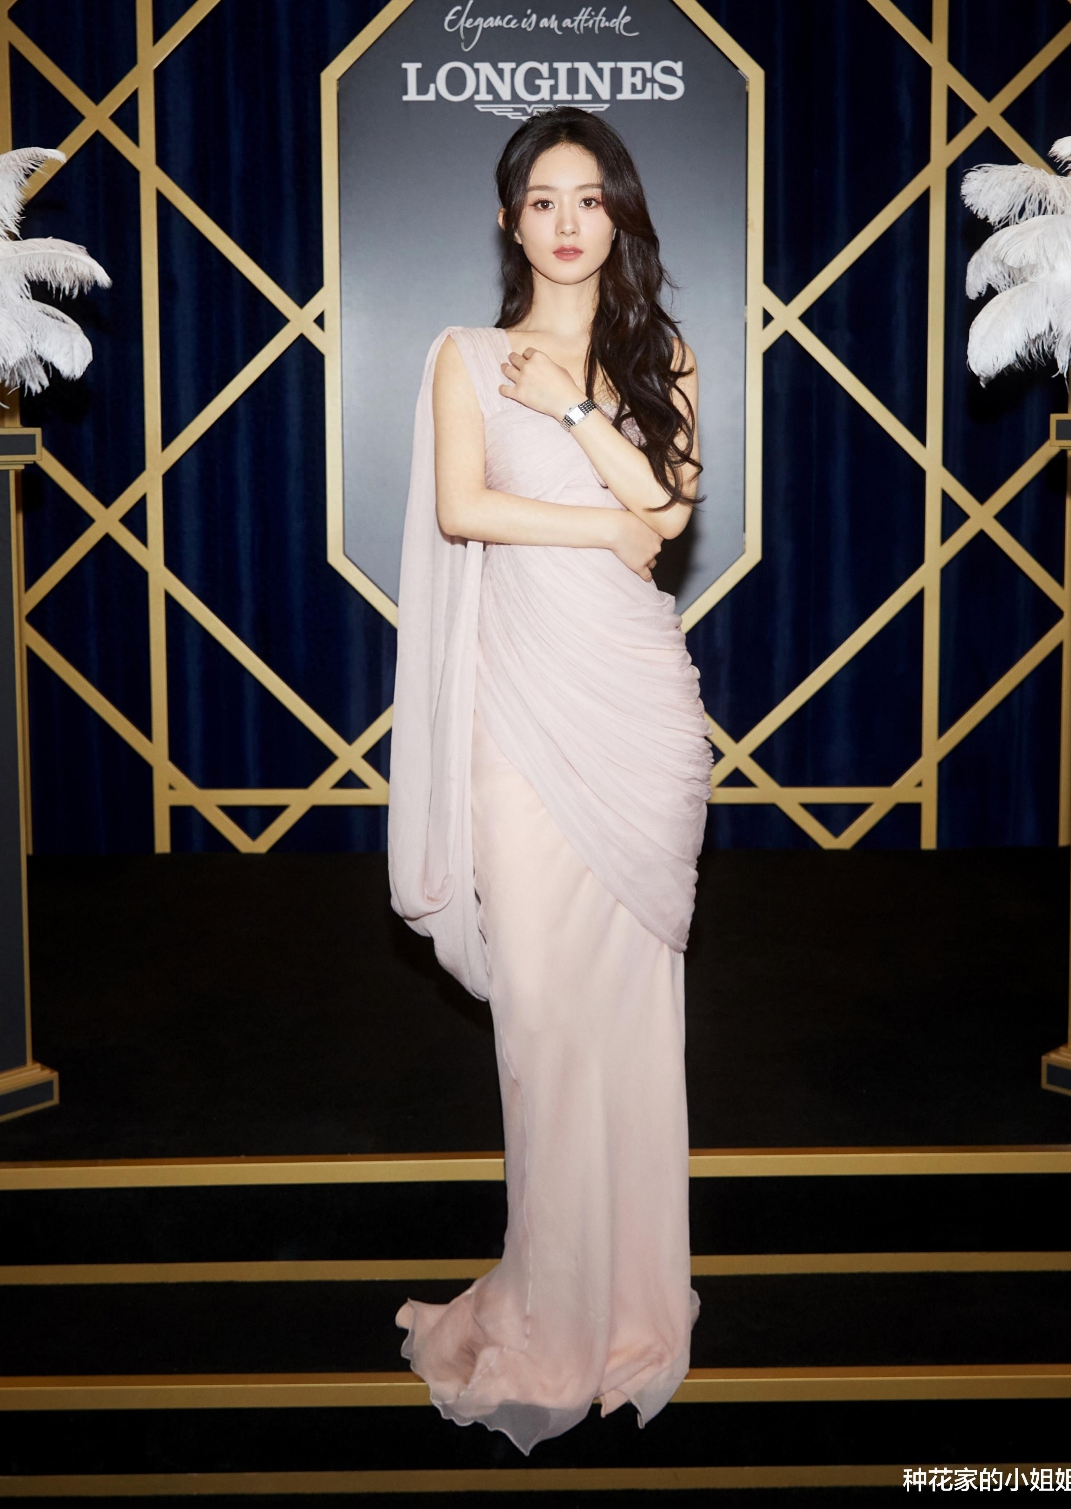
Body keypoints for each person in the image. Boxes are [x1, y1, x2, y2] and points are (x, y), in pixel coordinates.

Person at [388, 106, 712, 1454]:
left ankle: (627, 1305)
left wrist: (574, 408)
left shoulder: (658, 354)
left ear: (616, 216)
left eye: (589, 198)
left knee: (627, 1029)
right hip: (517, 723)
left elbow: (669, 519)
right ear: (509, 221)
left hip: (638, 719)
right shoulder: (463, 357)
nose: (568, 222)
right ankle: (549, 1306)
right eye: (542, 200)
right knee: (540, 1023)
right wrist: (600, 518)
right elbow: (464, 511)